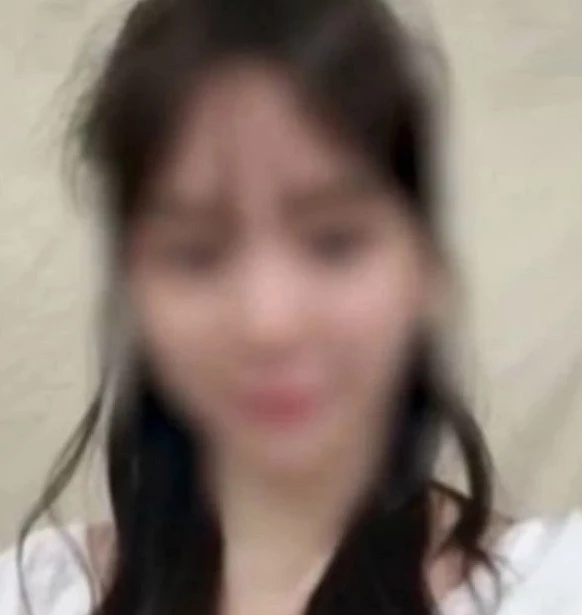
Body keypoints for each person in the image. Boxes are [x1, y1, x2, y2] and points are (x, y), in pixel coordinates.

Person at [1, 0, 581, 613]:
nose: (269, 323)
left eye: (334, 242)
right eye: (196, 253)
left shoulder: (554, 588)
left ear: (425, 265)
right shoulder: (33, 592)